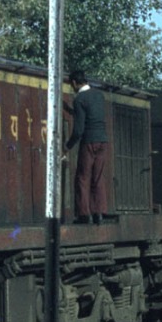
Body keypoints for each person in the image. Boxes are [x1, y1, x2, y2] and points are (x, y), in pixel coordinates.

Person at [65, 69, 110, 224]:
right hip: (103, 140)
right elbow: (92, 115)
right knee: (98, 178)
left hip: (89, 141)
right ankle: (99, 214)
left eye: (72, 85)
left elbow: (78, 130)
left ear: (74, 83)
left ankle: (85, 215)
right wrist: (72, 111)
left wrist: (67, 147)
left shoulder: (79, 99)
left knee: (83, 177)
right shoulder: (98, 95)